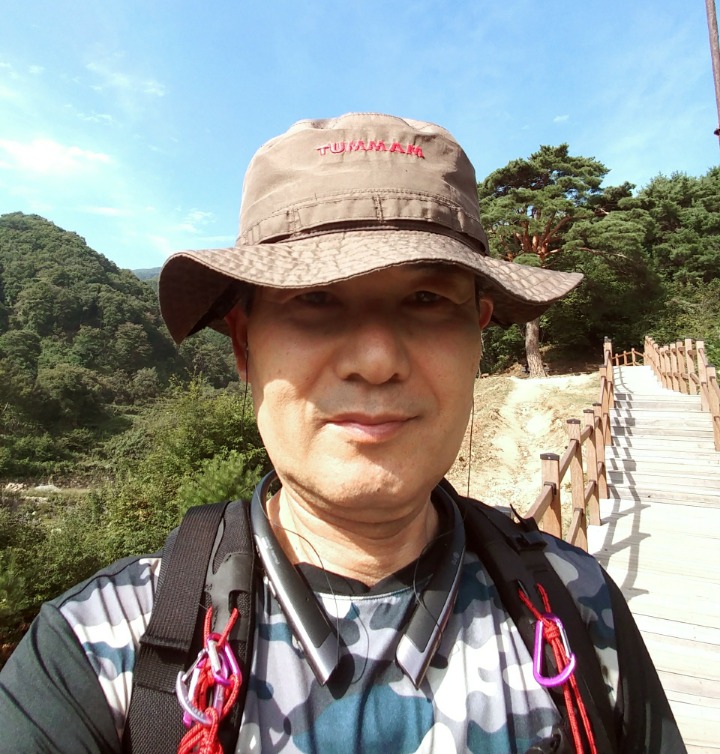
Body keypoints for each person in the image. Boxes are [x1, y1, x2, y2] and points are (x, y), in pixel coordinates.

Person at [0, 113, 685, 754]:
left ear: (478, 335)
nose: (377, 360)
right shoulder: (100, 653)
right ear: (243, 345)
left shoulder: (576, 609)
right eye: (314, 299)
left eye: (426, 299)